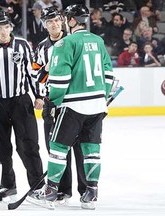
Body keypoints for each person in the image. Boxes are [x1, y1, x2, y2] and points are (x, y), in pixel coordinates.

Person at [29, 4, 114, 210]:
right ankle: (91, 193)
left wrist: (53, 103)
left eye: (65, 18)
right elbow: (108, 74)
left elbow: (60, 80)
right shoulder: (98, 41)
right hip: (96, 105)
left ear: (72, 20)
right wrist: (103, 97)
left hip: (73, 106)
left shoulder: (65, 43)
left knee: (57, 147)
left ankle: (50, 192)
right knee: (91, 150)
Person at [26, 6, 86, 207]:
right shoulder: (41, 48)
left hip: (74, 102)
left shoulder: (73, 42)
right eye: (49, 21)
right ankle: (61, 190)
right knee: (55, 149)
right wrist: (48, 68)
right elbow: (36, 75)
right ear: (44, 24)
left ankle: (86, 190)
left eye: (56, 21)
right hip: (52, 104)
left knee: (78, 147)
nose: (53, 24)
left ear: (62, 21)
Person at [0, 11, 45, 202]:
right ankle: (7, 185)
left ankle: (37, 186)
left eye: (6, 27)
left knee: (28, 145)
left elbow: (32, 73)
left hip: (21, 102)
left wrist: (38, 95)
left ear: (11, 27)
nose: (2, 31)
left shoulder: (22, 45)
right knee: (1, 149)